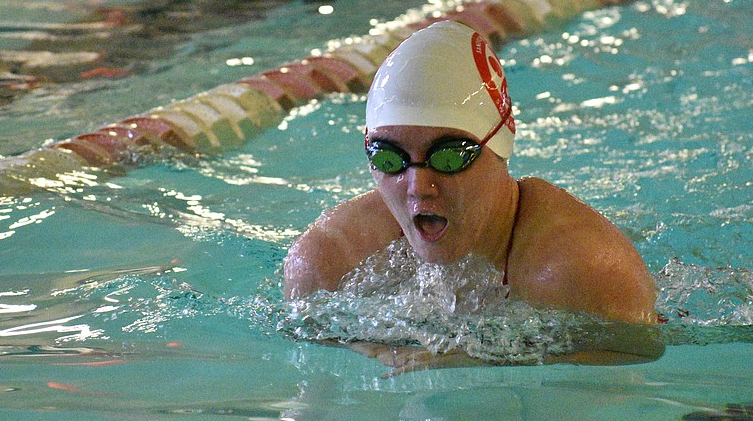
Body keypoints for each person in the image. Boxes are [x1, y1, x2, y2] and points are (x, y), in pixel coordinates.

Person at [283, 20, 661, 368]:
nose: (418, 187)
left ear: (498, 147)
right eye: (390, 157)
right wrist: (379, 349)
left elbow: (641, 355)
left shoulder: (582, 271)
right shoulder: (330, 262)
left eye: (449, 158)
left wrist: (482, 362)